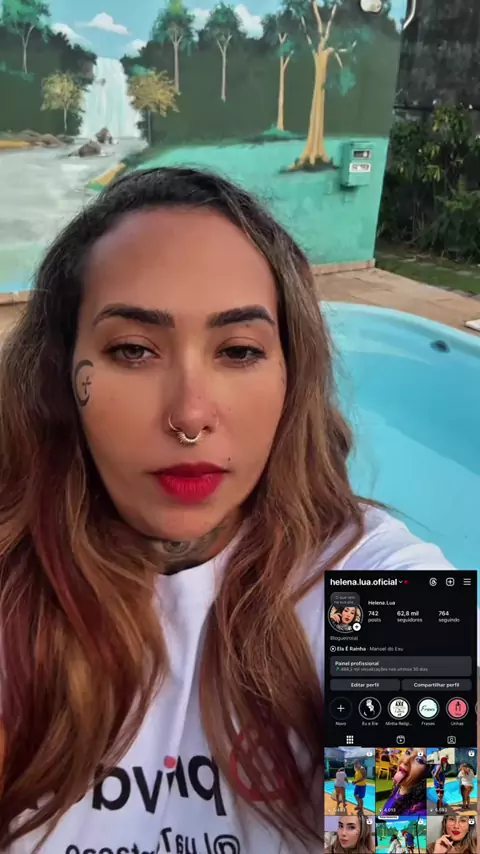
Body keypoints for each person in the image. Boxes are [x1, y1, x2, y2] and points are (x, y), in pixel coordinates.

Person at [0, 166, 453, 852]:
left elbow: (420, 828)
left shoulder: (381, 583)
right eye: (133, 350)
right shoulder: (15, 579)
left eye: (239, 351)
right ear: (60, 374)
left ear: (290, 375)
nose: (190, 416)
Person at [380, 749, 427, 817]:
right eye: (408, 752)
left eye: (419, 760)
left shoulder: (419, 813)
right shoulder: (398, 789)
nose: (405, 760)